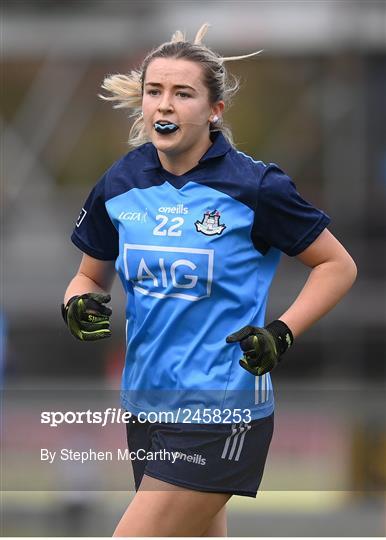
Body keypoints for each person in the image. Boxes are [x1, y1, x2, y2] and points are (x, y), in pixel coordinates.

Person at [62, 24, 357, 537]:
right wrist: (78, 303)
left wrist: (281, 332)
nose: (165, 105)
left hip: (223, 410)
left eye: (182, 93)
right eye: (155, 92)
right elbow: (88, 277)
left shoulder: (255, 187)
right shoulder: (121, 182)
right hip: (146, 404)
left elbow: (337, 266)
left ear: (214, 110)